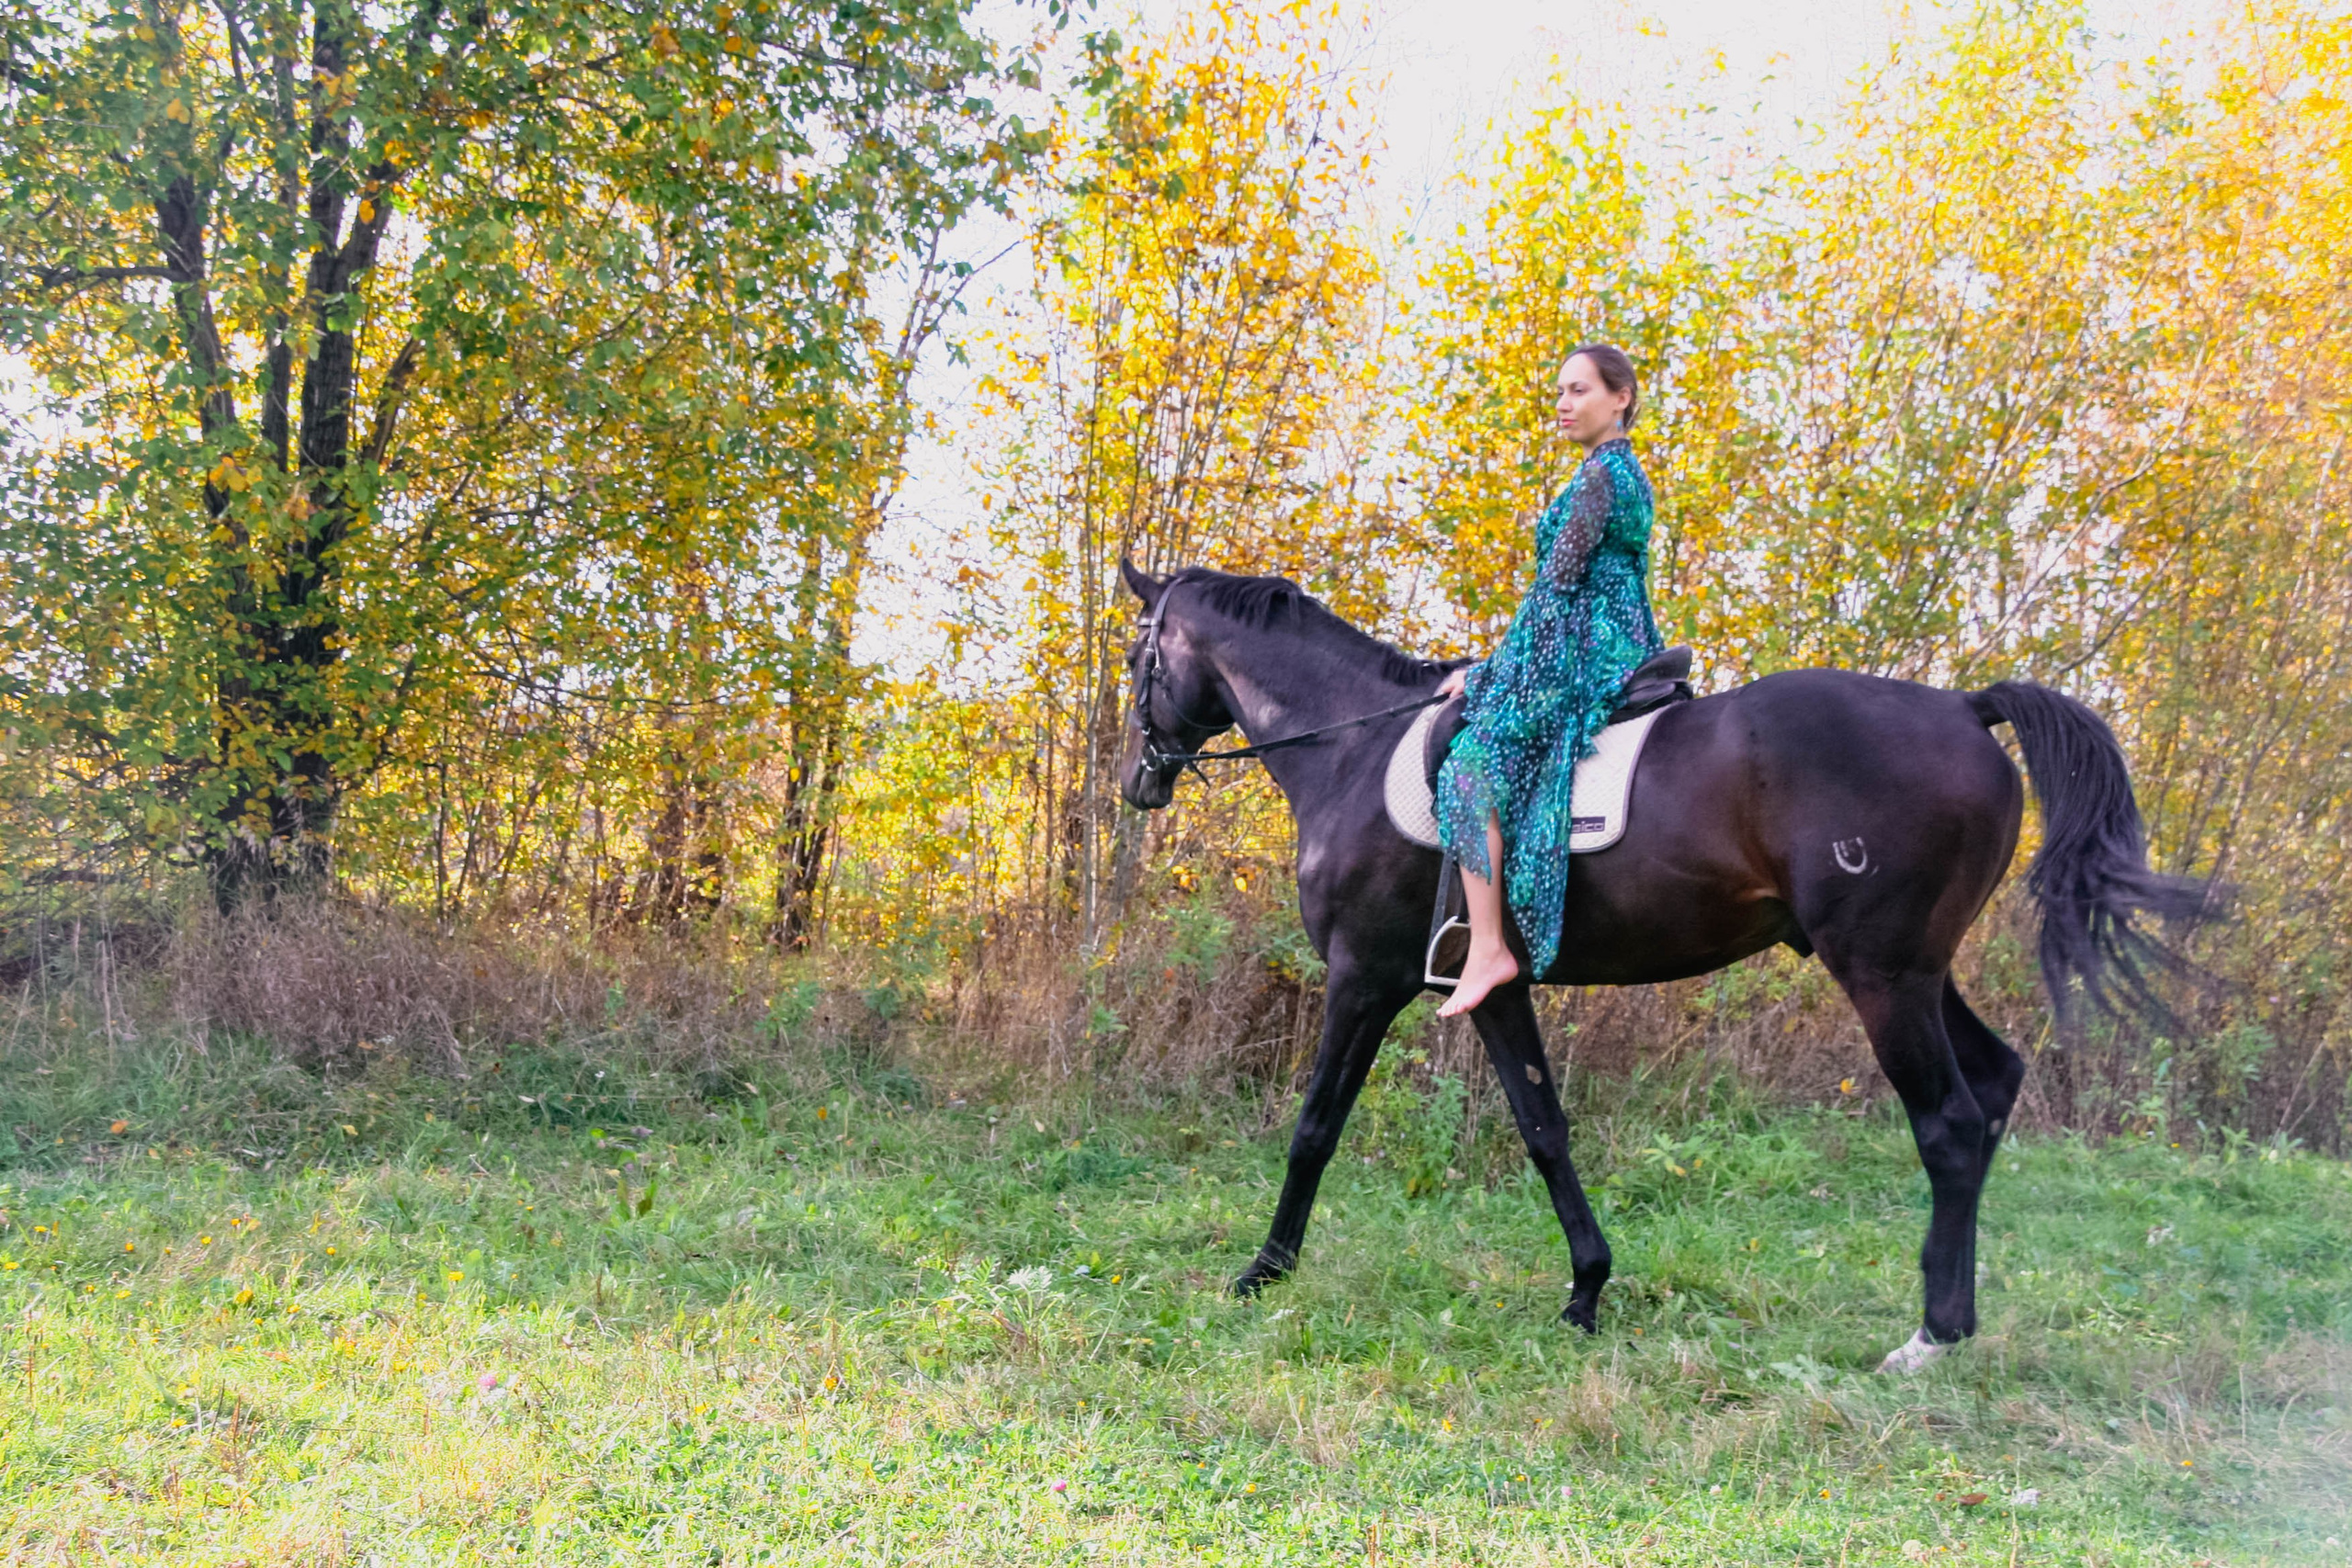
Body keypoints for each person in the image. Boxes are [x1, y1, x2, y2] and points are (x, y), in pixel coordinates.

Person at [1432, 344, 1666, 1017]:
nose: (1564, 404)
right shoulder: (1618, 473)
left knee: (1468, 770)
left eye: (1579, 390)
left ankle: (1487, 948)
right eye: (1560, 391)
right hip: (1611, 640)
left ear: (1621, 398)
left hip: (1582, 652)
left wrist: (1486, 675)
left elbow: (1555, 591)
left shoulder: (1600, 478)